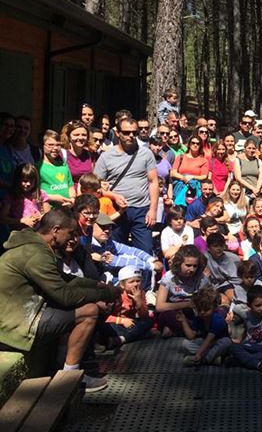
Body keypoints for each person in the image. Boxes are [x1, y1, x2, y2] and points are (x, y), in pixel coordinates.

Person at [0, 208, 119, 391]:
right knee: (89, 312)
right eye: (70, 233)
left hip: (24, 313)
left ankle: (60, 368)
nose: (72, 239)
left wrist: (98, 287)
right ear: (56, 231)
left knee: (75, 309)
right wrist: (105, 294)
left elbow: (63, 279)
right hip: (16, 323)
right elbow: (64, 295)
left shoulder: (36, 247)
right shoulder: (35, 254)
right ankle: (69, 378)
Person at [94, 116, 159, 253]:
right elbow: (95, 187)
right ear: (117, 133)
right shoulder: (106, 157)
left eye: (134, 133)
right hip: (116, 210)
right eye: (126, 132)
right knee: (115, 250)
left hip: (141, 210)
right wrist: (113, 195)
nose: (131, 136)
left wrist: (153, 210)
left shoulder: (146, 154)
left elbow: (153, 182)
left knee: (146, 251)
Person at [228, 285, 262, 373]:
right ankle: (258, 365)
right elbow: (246, 329)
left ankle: (241, 361)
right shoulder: (246, 315)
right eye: (258, 305)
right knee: (233, 347)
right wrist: (240, 340)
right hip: (248, 346)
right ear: (249, 305)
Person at [176, 287, 232, 367]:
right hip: (207, 344)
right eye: (199, 310)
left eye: (206, 310)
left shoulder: (217, 320)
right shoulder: (199, 318)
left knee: (226, 342)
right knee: (185, 344)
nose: (202, 313)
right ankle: (214, 359)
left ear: (214, 308)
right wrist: (183, 321)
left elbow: (209, 339)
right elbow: (191, 336)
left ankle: (203, 360)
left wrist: (199, 353)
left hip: (217, 342)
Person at [105, 266, 154, 346]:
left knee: (148, 322)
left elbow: (144, 316)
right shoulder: (115, 295)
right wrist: (122, 321)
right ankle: (134, 335)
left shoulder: (140, 293)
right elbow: (104, 317)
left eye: (138, 281)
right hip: (115, 323)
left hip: (130, 323)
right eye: (131, 282)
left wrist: (139, 301)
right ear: (122, 284)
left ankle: (122, 339)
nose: (135, 284)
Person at [170, 134, 209, 207]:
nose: (195, 145)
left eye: (198, 143)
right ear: (189, 144)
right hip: (180, 188)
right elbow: (174, 173)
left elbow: (204, 176)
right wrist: (184, 178)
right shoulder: (181, 157)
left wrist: (192, 177)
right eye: (193, 143)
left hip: (195, 191)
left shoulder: (204, 160)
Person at [38, 129, 75, 206]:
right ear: (42, 146)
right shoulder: (38, 167)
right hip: (49, 210)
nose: (55, 148)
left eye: (58, 145)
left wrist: (72, 199)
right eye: (50, 145)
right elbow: (34, 192)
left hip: (67, 208)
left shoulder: (63, 165)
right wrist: (52, 197)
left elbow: (70, 186)